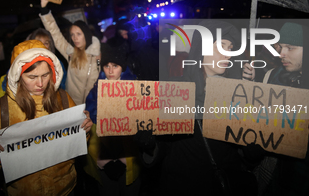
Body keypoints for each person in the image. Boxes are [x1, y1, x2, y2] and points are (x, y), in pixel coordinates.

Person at [139, 20, 257, 195]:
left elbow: (247, 154)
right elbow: (164, 147)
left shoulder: (237, 92)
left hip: (222, 186)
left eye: (231, 48)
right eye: (222, 46)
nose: (228, 54)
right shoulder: (177, 89)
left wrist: (258, 136)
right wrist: (149, 144)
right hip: (180, 185)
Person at [0, 40, 93, 196]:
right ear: (18, 75)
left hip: (66, 188)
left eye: (45, 75)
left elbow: (74, 142)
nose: (40, 83)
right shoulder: (0, 109)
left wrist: (84, 130)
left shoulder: (63, 98)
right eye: (32, 77)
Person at [244, 22, 309, 195]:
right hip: (271, 175)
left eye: (291, 48)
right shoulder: (271, 76)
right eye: (281, 47)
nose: (281, 54)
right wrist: (250, 87)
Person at [83, 44, 141, 196]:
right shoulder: (96, 91)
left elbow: (139, 128)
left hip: (129, 159)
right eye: (106, 66)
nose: (110, 71)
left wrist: (123, 160)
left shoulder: (135, 88)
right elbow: (90, 129)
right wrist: (103, 163)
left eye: (115, 66)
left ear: (122, 67)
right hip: (103, 161)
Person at [40, 0, 101, 105]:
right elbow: (55, 34)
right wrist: (45, 10)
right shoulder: (70, 53)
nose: (75, 38)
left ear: (86, 35)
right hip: (73, 106)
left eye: (78, 34)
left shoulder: (99, 53)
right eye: (72, 34)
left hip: (93, 107)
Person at [0, 27, 68, 99]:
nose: (41, 45)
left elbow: (61, 84)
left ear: (50, 45)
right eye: (38, 42)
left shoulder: (57, 64)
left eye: (46, 43)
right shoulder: (22, 61)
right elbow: (9, 80)